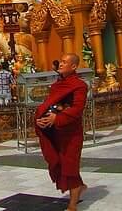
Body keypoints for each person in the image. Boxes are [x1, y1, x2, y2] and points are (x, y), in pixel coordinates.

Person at [35, 53, 88, 210]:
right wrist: (41, 118)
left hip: (71, 133)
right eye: (61, 61)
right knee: (60, 162)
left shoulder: (80, 86)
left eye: (65, 62)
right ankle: (79, 186)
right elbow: (49, 104)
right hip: (57, 132)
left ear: (73, 66)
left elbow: (77, 109)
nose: (61, 64)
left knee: (70, 164)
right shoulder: (57, 85)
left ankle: (72, 205)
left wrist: (57, 118)